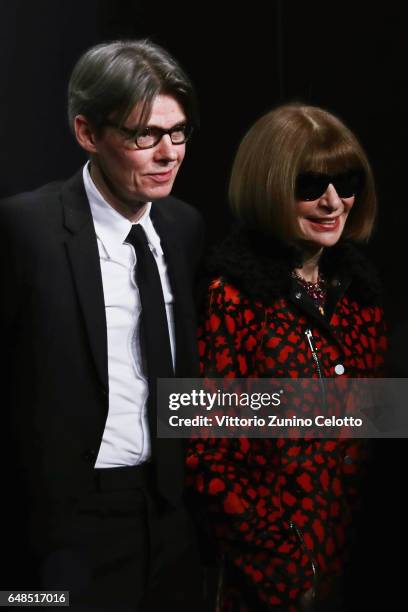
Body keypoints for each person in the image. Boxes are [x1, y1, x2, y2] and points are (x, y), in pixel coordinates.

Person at [0, 39, 205, 610]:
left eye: (178, 131)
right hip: (65, 530)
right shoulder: (23, 231)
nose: (169, 153)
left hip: (169, 518)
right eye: (145, 135)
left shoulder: (185, 227)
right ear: (88, 133)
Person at [186, 103, 387, 611]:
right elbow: (209, 456)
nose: (333, 201)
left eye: (346, 182)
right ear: (269, 185)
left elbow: (381, 430)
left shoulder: (361, 294)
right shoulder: (230, 297)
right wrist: (286, 567)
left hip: (363, 567)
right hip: (275, 584)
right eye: (310, 185)